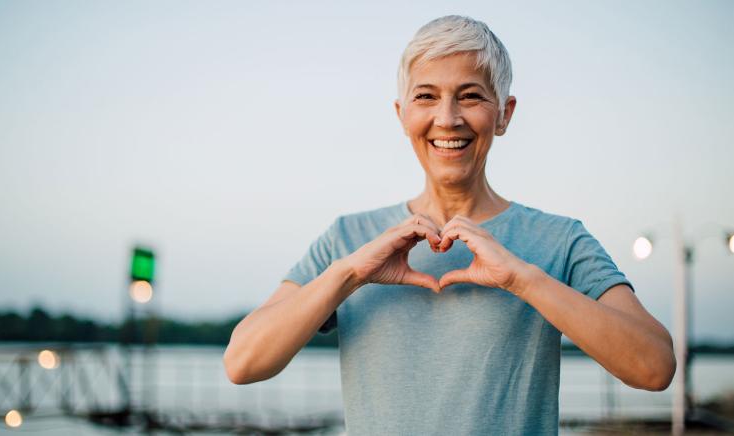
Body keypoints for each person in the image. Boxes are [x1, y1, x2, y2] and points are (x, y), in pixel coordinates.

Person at [223, 15, 676, 435]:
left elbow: (654, 366)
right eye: (426, 96)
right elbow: (243, 362)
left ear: (504, 113)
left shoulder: (561, 240)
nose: (448, 118)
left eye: (471, 95)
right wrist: (350, 275)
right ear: (402, 114)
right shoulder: (347, 240)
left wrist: (522, 279)